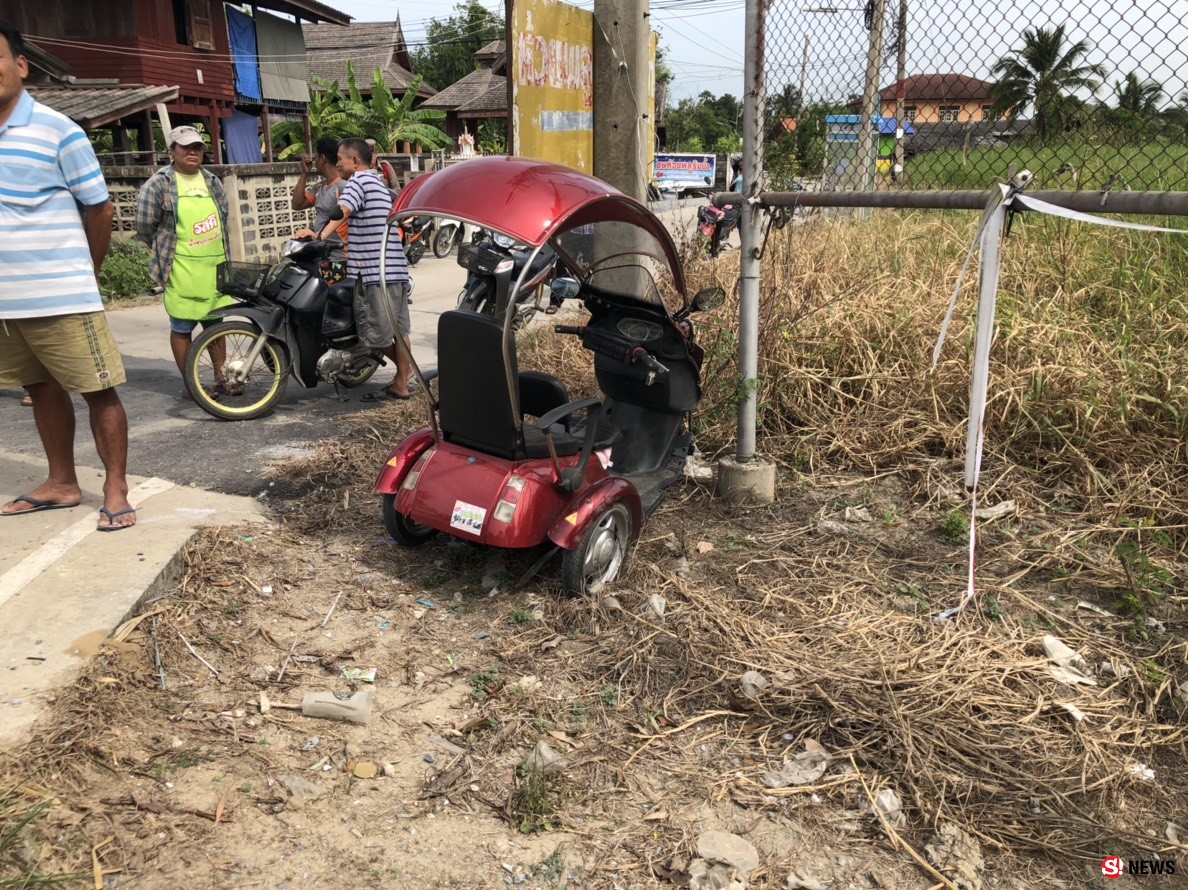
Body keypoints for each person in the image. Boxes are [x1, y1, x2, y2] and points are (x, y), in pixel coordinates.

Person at [0, 20, 136, 531]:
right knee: (40, 389)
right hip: (6, 303)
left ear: (20, 65)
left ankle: (116, 487)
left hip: (62, 295)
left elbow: (99, 209)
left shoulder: (58, 130)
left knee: (98, 389)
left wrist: (88, 275)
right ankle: (61, 481)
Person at [134, 124, 233, 398]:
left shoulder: (212, 181)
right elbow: (144, 225)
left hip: (214, 266)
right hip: (181, 267)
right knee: (182, 326)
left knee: (216, 324)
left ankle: (222, 379)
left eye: (197, 147)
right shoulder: (159, 183)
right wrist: (166, 252)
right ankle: (194, 385)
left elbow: (223, 219)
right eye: (186, 147)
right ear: (172, 151)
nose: (192, 152)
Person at [316, 138, 413, 401]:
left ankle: (406, 375)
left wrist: (319, 235)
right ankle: (401, 382)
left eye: (340, 159)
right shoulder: (378, 183)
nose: (337, 164)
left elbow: (343, 210)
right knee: (400, 330)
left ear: (355, 161)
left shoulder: (357, 182)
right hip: (395, 270)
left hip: (373, 272)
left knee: (375, 335)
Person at [291, 134, 348, 265]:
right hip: (322, 252)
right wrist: (304, 174)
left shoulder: (342, 187)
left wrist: (317, 234)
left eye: (316, 157)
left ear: (323, 158)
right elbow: (297, 204)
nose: (315, 161)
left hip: (340, 257)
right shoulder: (320, 186)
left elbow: (344, 214)